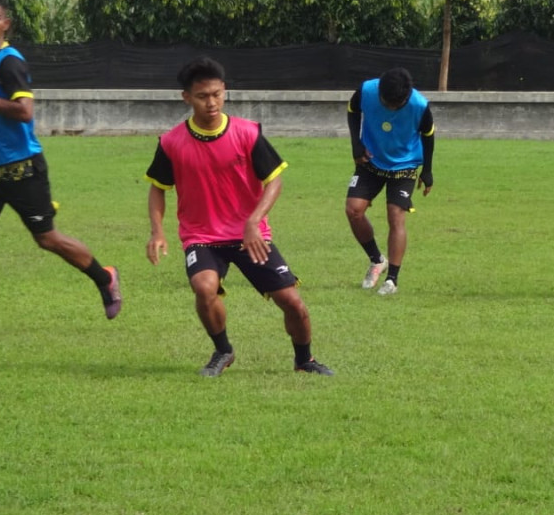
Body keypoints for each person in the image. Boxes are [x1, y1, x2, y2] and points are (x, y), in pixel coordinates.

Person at [0, 0, 121, 336]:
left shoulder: (9, 63)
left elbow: (24, 112)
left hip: (23, 168)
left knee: (47, 239)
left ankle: (105, 278)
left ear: (6, 24)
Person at [145, 57, 333, 377]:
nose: (212, 102)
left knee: (293, 303)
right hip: (202, 236)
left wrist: (253, 221)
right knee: (205, 289)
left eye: (217, 94)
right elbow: (158, 188)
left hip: (250, 236)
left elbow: (274, 180)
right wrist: (157, 232)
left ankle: (305, 359)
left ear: (225, 92)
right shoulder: (171, 142)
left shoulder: (247, 133)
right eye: (203, 96)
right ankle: (223, 351)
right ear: (186, 98)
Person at [344, 68, 435, 296]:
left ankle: (392, 279)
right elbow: (352, 110)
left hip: (404, 165)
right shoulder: (367, 90)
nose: (391, 108)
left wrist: (428, 171)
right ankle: (377, 260)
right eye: (387, 103)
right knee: (353, 210)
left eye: (397, 104)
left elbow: (428, 136)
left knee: (395, 215)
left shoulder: (420, 106)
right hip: (371, 160)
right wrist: (356, 144)